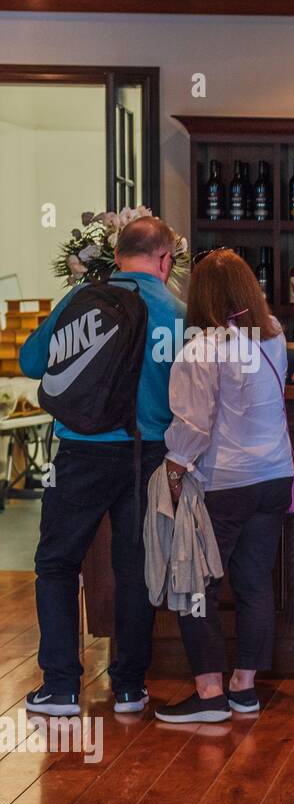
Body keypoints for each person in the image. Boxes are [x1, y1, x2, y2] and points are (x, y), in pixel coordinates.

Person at [21, 216, 186, 716]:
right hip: (150, 456)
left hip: (81, 451)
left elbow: (32, 362)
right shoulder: (180, 313)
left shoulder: (80, 299)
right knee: (135, 568)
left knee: (57, 563)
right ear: (165, 260)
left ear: (115, 256)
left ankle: (61, 687)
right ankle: (131, 688)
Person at [153, 250, 294, 722]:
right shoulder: (272, 334)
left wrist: (172, 473)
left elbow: (192, 426)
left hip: (223, 483)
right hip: (273, 477)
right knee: (255, 583)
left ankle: (209, 693)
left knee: (197, 585)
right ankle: (245, 688)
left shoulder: (202, 348)